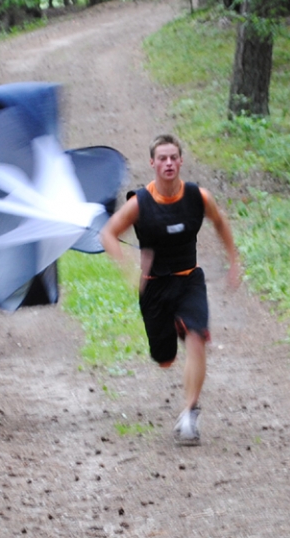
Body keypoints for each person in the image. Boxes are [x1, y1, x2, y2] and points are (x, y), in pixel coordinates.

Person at [100, 134, 241, 445]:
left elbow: (219, 221)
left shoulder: (197, 197)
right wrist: (127, 265)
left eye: (173, 157)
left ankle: (190, 413)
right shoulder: (140, 203)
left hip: (189, 279)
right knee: (164, 358)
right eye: (162, 158)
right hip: (154, 287)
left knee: (196, 335)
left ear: (181, 161)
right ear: (152, 163)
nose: (168, 163)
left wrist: (233, 259)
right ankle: (174, 330)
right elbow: (108, 233)